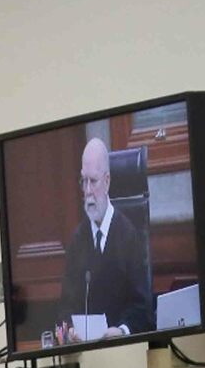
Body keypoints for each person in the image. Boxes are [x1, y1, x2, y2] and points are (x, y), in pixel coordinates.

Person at [54, 136, 153, 344]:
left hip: (123, 349)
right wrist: (69, 330)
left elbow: (143, 308)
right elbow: (66, 307)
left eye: (93, 181)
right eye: (83, 181)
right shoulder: (77, 240)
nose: (87, 190)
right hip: (86, 351)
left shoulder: (129, 235)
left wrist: (122, 331)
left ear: (107, 181)